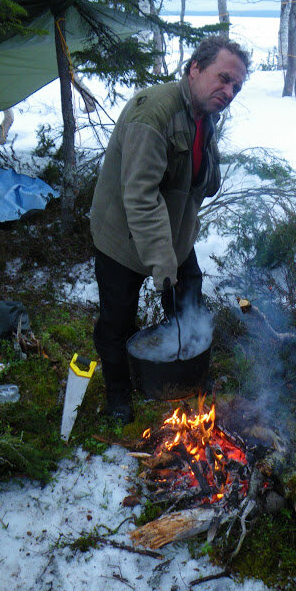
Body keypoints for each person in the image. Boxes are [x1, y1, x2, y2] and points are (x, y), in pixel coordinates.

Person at [90, 35, 250, 425]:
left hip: (174, 233)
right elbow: (141, 198)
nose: (228, 91)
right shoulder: (154, 114)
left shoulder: (204, 117)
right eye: (223, 78)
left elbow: (196, 182)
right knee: (118, 321)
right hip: (122, 236)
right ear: (194, 68)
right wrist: (163, 265)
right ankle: (118, 394)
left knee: (188, 302)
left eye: (236, 86)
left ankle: (184, 371)